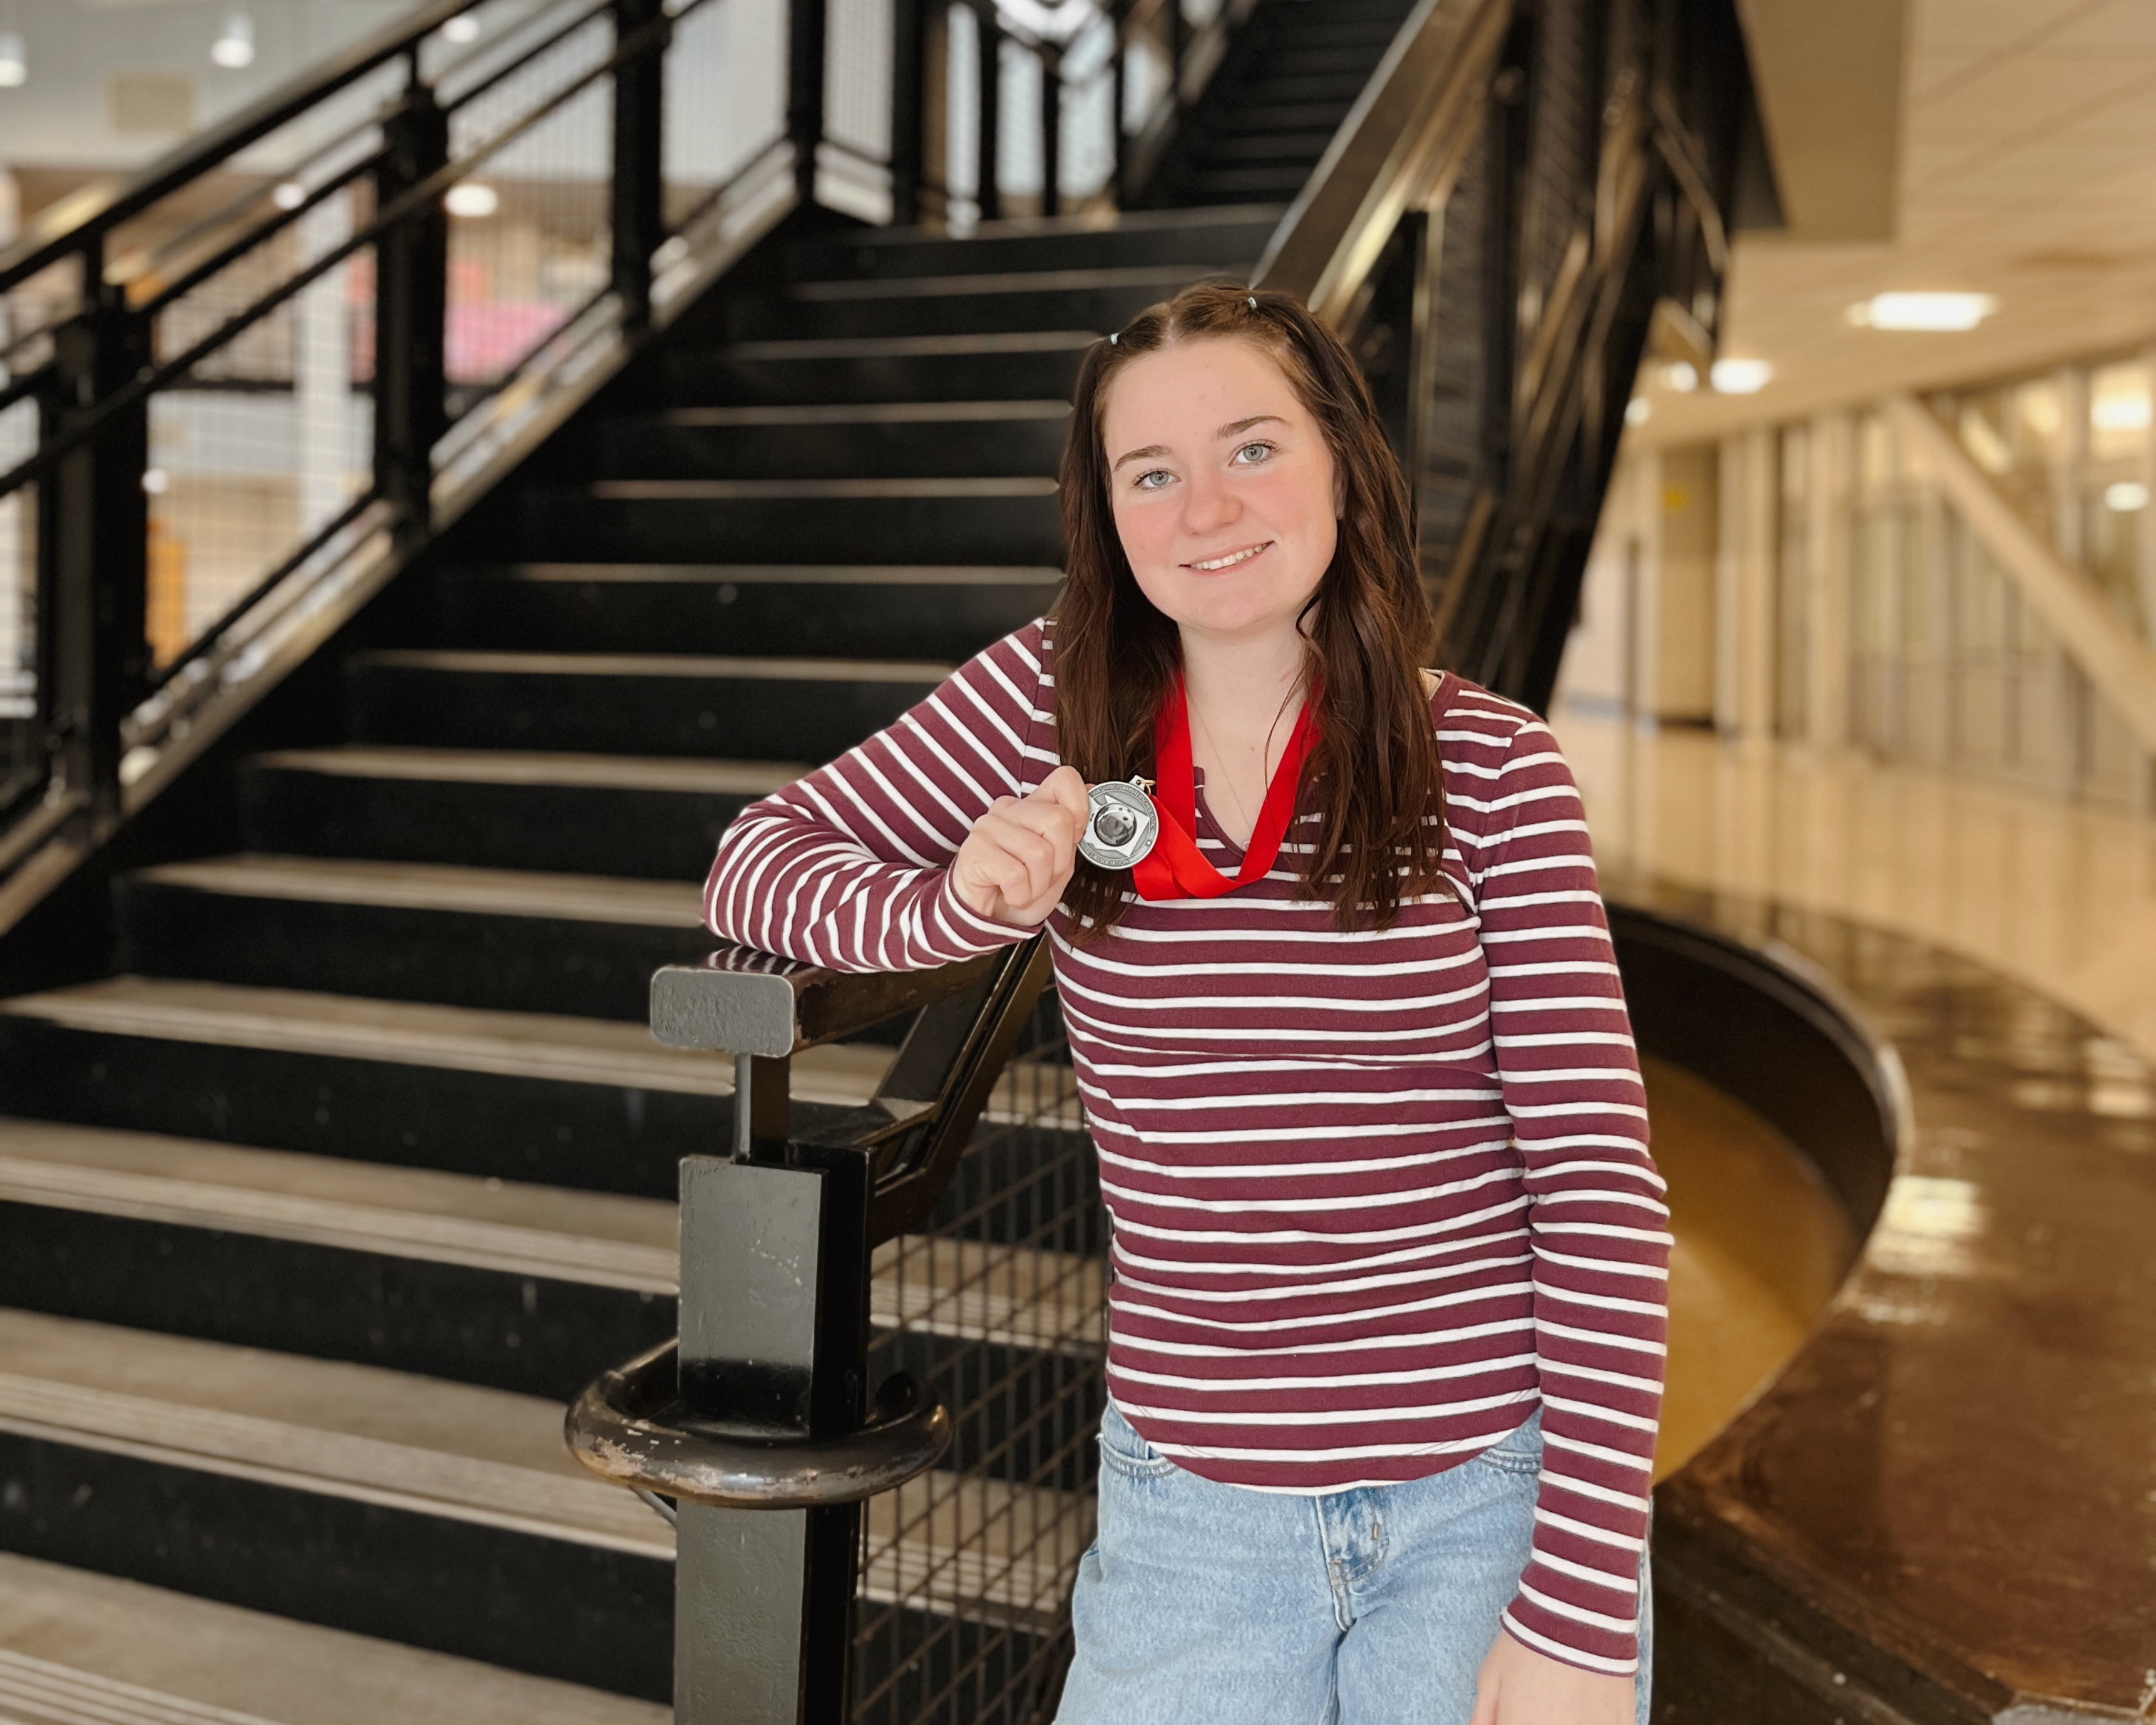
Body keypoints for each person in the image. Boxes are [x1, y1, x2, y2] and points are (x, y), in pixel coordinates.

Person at [703, 282, 1669, 1725]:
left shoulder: (1492, 764)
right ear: (1107, 513)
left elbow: (1598, 1190)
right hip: (1197, 1515)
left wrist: (1582, 1608)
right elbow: (750, 864)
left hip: (1487, 1495)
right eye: (1152, 473)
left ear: (1344, 457)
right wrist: (953, 908)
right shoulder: (1050, 705)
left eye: (1254, 449)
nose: (1207, 508)